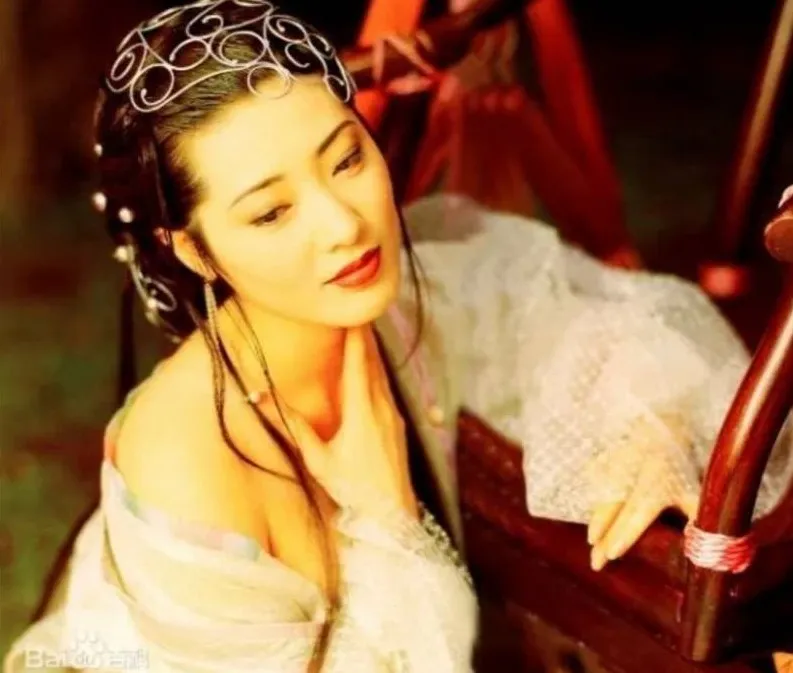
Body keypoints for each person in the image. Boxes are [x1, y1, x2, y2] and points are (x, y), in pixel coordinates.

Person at [5, 1, 791, 671]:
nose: (342, 225)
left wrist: (654, 428)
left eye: (345, 158)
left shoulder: (406, 299)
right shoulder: (188, 459)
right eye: (271, 212)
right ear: (194, 250)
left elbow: (601, 314)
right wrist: (389, 522)